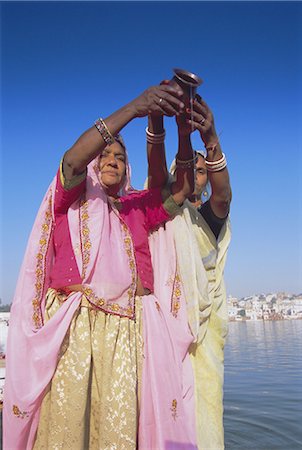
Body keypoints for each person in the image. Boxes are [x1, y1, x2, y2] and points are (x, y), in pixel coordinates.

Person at [3, 82, 200, 450]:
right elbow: (72, 159)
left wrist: (183, 132)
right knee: (68, 426)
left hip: (125, 334)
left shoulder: (136, 207)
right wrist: (135, 108)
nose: (112, 160)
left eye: (121, 157)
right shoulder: (73, 195)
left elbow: (182, 191)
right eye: (106, 154)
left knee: (117, 430)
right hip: (76, 328)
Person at [146, 94, 232, 450]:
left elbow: (224, 197)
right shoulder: (162, 213)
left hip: (203, 338)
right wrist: (157, 123)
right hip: (163, 332)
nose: (195, 176)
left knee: (204, 416)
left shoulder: (209, 218)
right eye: (190, 169)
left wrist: (211, 140)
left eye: (201, 171)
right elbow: (156, 175)